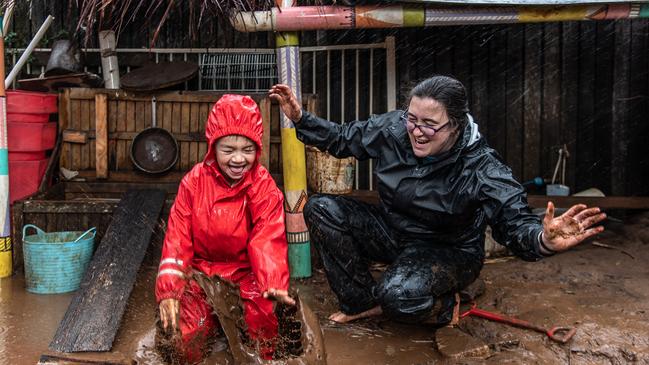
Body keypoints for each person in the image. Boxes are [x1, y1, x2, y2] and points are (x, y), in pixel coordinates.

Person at [268, 76, 606, 326]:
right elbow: (343, 139)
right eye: (412, 119)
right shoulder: (394, 130)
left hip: (447, 250)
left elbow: (513, 221)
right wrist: (301, 119)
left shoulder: (482, 167)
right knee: (321, 208)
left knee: (397, 297)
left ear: (455, 127)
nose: (416, 131)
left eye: (429, 125)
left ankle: (446, 305)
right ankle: (359, 302)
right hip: (393, 232)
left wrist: (542, 238)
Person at [155, 94, 295, 364]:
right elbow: (177, 237)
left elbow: (268, 238)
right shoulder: (193, 183)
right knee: (185, 336)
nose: (239, 159)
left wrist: (273, 283)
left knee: (263, 319)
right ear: (213, 146)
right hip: (201, 274)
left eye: (248, 149)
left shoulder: (263, 186)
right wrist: (169, 290)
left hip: (247, 273)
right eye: (228, 150)